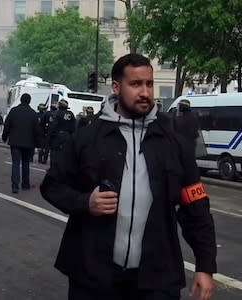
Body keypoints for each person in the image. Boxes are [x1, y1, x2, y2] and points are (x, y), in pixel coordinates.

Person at [40, 53, 217, 300]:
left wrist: (205, 266)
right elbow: (52, 186)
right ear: (116, 86)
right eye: (135, 84)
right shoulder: (88, 138)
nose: (145, 92)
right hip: (93, 276)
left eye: (149, 84)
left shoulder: (173, 142)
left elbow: (195, 205)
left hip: (156, 278)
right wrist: (85, 203)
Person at [2, 93, 40, 194]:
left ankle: (15, 186)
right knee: (25, 163)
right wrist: (37, 143)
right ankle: (25, 184)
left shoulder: (14, 111)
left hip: (15, 141)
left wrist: (4, 137)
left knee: (15, 163)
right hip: (28, 142)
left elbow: (7, 125)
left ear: (21, 100)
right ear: (29, 101)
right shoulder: (33, 113)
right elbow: (37, 130)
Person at [49, 99, 75, 169]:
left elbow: (53, 126)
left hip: (57, 136)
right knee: (65, 154)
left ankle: (53, 169)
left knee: (54, 154)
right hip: (67, 136)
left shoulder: (56, 113)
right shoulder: (71, 114)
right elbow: (73, 127)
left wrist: (49, 137)